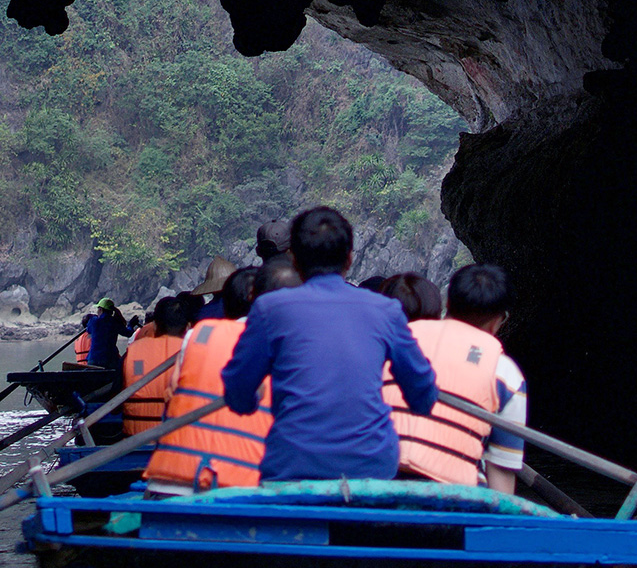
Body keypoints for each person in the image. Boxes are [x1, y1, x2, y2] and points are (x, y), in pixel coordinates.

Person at [219, 205, 437, 482]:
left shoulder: (270, 309)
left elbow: (237, 391)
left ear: (294, 259)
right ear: (349, 258)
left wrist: (252, 402)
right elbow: (423, 396)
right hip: (371, 466)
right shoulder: (387, 311)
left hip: (293, 465)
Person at [402, 263, 528, 495]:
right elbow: (500, 470)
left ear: (447, 302)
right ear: (499, 320)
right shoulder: (506, 374)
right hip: (454, 496)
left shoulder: (401, 338)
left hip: (379, 478)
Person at [144, 280, 272, 491]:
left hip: (169, 484)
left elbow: (171, 397)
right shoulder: (280, 342)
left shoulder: (197, 334)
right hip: (239, 490)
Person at [120, 297, 191, 435]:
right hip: (180, 442)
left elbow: (115, 398)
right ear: (188, 327)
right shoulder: (194, 352)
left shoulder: (133, 352)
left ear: (155, 326)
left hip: (136, 440)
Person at [73, 298, 128, 373]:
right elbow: (128, 333)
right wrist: (131, 324)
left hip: (93, 361)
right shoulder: (115, 323)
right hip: (110, 361)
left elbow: (88, 329)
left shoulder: (93, 321)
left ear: (101, 310)